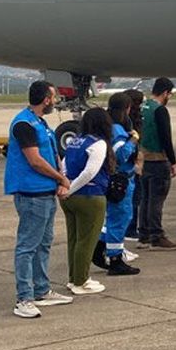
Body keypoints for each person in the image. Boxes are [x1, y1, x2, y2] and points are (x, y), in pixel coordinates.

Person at [5, 81, 73, 319]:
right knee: (27, 246)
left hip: (45, 191)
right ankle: (24, 297)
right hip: (31, 193)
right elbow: (34, 160)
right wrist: (60, 179)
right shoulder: (24, 123)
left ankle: (41, 290)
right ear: (46, 99)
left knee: (44, 243)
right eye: (53, 97)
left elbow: (51, 154)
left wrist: (58, 179)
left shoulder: (41, 123)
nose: (55, 102)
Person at [60, 108, 114, 294]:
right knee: (87, 240)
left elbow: (64, 164)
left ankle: (73, 278)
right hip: (90, 196)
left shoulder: (75, 141)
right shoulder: (98, 143)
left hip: (69, 198)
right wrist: (72, 188)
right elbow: (90, 171)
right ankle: (81, 280)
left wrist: (65, 186)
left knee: (74, 239)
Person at [93, 93, 141, 275]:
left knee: (116, 218)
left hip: (113, 179)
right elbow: (120, 155)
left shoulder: (107, 128)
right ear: (126, 109)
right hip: (122, 179)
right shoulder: (119, 130)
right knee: (120, 219)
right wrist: (134, 140)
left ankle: (101, 245)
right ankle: (114, 258)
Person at [138, 77, 176, 251]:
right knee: (157, 200)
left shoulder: (143, 107)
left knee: (145, 199)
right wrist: (173, 160)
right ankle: (157, 235)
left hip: (143, 159)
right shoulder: (160, 110)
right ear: (165, 93)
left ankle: (144, 235)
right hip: (157, 159)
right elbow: (165, 137)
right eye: (169, 94)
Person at [123, 88, 145, 242]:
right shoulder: (131, 122)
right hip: (131, 165)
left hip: (131, 163)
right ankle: (130, 229)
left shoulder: (125, 121)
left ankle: (130, 228)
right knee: (134, 198)